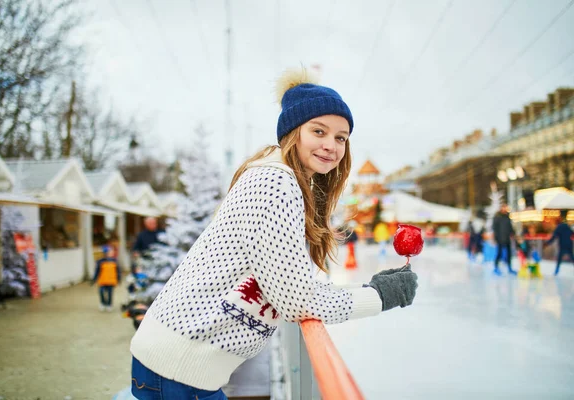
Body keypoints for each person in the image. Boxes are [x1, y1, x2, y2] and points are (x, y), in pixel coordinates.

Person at [129, 67, 419, 399]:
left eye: (341, 137)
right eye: (319, 131)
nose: (331, 145)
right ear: (293, 132)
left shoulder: (283, 180)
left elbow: (288, 282)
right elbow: (298, 300)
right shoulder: (276, 183)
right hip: (178, 368)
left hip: (181, 363)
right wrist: (378, 295)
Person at [544, 210, 574, 276]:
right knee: (571, 257)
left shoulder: (560, 227)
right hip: (569, 244)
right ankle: (556, 271)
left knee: (560, 258)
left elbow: (554, 236)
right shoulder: (567, 226)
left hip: (563, 245)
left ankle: (556, 271)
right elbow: (572, 233)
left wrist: (547, 243)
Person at [92, 246, 121, 312]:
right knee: (101, 292)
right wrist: (94, 279)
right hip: (102, 281)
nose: (110, 253)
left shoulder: (114, 261)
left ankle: (109, 304)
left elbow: (118, 271)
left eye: (111, 252)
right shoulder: (100, 261)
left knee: (110, 293)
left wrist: (118, 279)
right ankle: (103, 303)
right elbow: (97, 271)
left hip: (111, 281)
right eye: (109, 252)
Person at [492, 203, 516, 275]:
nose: (505, 208)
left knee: (509, 254)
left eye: (505, 207)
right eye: (503, 207)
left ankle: (509, 267)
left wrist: (512, 233)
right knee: (499, 253)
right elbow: (495, 228)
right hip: (500, 238)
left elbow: (510, 227)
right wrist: (496, 238)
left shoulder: (507, 217)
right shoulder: (497, 217)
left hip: (507, 238)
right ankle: (496, 267)